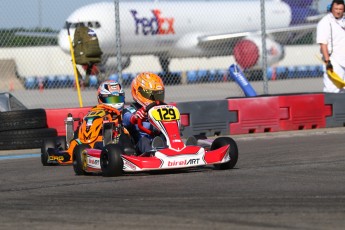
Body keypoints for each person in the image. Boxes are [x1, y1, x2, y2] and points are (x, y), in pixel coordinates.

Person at [122, 72, 165, 155]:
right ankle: (153, 154)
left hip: (159, 139)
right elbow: (126, 118)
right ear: (137, 92)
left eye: (158, 95)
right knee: (145, 140)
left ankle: (177, 150)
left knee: (165, 137)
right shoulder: (131, 110)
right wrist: (135, 117)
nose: (155, 99)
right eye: (151, 95)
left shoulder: (162, 108)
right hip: (139, 145)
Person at [317, 0, 345, 93]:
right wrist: (328, 61)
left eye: (340, 9)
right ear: (331, 9)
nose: (338, 11)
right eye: (336, 8)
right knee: (332, 90)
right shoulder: (325, 22)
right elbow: (323, 43)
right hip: (334, 61)